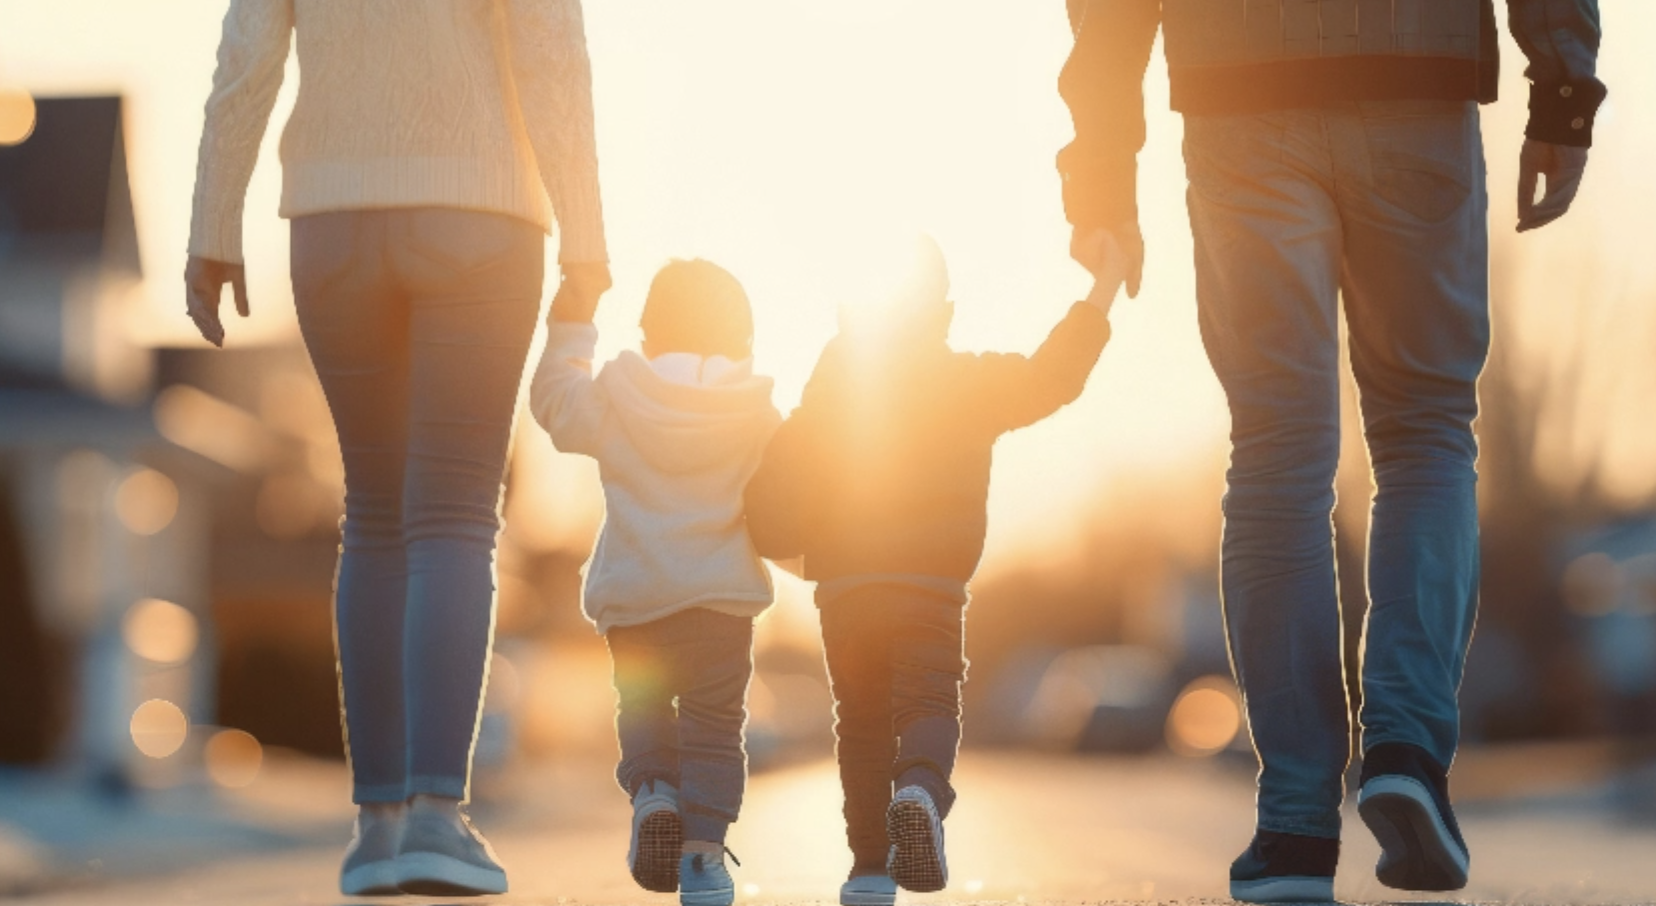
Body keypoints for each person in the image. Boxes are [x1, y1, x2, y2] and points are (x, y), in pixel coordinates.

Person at [1057, 0, 1604, 900]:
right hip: (1413, 71)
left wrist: (1102, 167)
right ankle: (1406, 754)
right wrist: (1565, 89)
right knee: (1426, 431)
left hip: (1237, 89)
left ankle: (1297, 826)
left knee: (1275, 454)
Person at [184, 0, 609, 896]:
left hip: (332, 217)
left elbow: (248, 46)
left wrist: (213, 222)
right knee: (454, 512)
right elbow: (548, 46)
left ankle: (376, 828)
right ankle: (435, 815)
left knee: (372, 512)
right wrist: (588, 235)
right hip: (482, 206)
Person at [744, 236, 1124, 906]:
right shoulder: (965, 380)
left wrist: (777, 541)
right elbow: (1051, 376)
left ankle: (867, 870)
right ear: (943, 310)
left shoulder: (833, 383)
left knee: (859, 721)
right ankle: (919, 792)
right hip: (929, 587)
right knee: (927, 701)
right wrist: (1099, 294)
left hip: (845, 590)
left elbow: (785, 469)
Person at [529, 259, 780, 906]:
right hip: (721, 604)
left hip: (637, 603)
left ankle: (653, 793)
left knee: (641, 708)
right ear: (743, 337)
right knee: (716, 727)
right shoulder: (755, 413)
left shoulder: (617, 397)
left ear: (648, 334)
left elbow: (553, 400)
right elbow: (792, 493)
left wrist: (573, 323)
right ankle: (703, 860)